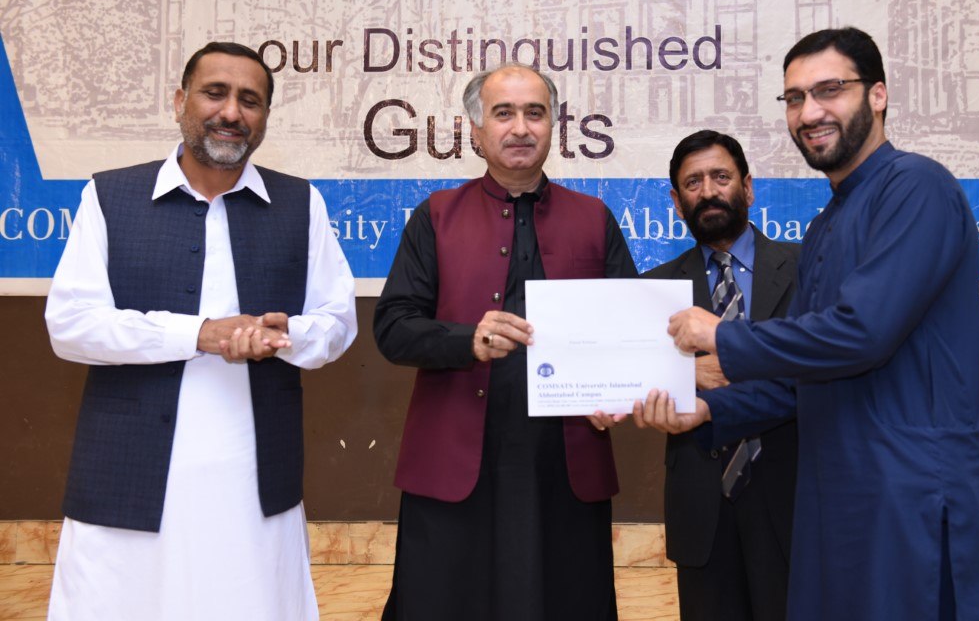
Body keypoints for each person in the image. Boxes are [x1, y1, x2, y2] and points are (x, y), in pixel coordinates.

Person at [662, 27, 979, 620]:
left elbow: (861, 333)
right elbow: (803, 374)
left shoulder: (917, 187)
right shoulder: (823, 227)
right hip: (833, 499)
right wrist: (710, 411)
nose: (810, 112)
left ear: (878, 95)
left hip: (908, 497)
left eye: (829, 90)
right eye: (794, 98)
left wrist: (720, 334)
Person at [44, 41, 357, 621]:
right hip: (126, 472)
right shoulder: (109, 195)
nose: (231, 112)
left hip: (251, 479)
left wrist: (287, 334)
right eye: (215, 93)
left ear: (265, 116)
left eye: (250, 100)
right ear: (179, 101)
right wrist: (199, 334)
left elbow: (337, 323)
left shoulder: (300, 203)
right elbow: (71, 325)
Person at [374, 62, 637, 621]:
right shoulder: (435, 216)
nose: (520, 127)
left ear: (553, 126)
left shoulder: (594, 218)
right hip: (454, 461)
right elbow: (393, 327)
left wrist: (619, 393)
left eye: (534, 113)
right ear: (476, 129)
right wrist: (467, 339)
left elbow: (629, 333)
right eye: (503, 113)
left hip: (564, 465)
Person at [640, 130, 799, 621]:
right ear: (676, 202)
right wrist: (688, 372)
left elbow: (818, 366)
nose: (708, 191)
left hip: (795, 497)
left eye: (721, 177)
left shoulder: (806, 268)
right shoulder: (653, 290)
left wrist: (733, 364)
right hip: (701, 506)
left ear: (747, 188)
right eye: (693, 183)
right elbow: (636, 377)